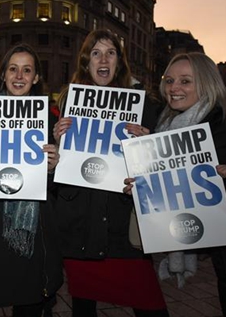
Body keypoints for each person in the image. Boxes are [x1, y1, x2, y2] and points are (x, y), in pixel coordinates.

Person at [125, 53, 226, 317]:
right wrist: (145, 182)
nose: (174, 88)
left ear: (207, 83)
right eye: (169, 80)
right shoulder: (167, 127)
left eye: (185, 81)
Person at [52, 30, 168, 317]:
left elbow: (160, 169)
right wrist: (57, 141)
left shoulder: (143, 104)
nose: (103, 59)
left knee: (149, 305)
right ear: (86, 62)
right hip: (80, 224)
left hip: (123, 224)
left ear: (119, 62)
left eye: (110, 52)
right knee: (83, 306)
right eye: (95, 53)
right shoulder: (68, 102)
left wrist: (147, 144)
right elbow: (56, 169)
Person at [0, 43, 63, 317]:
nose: (19, 76)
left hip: (31, 236)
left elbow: (58, 189)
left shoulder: (52, 122)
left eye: (27, 70)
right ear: (3, 74)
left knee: (29, 307)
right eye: (13, 69)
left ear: (36, 77)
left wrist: (53, 168)